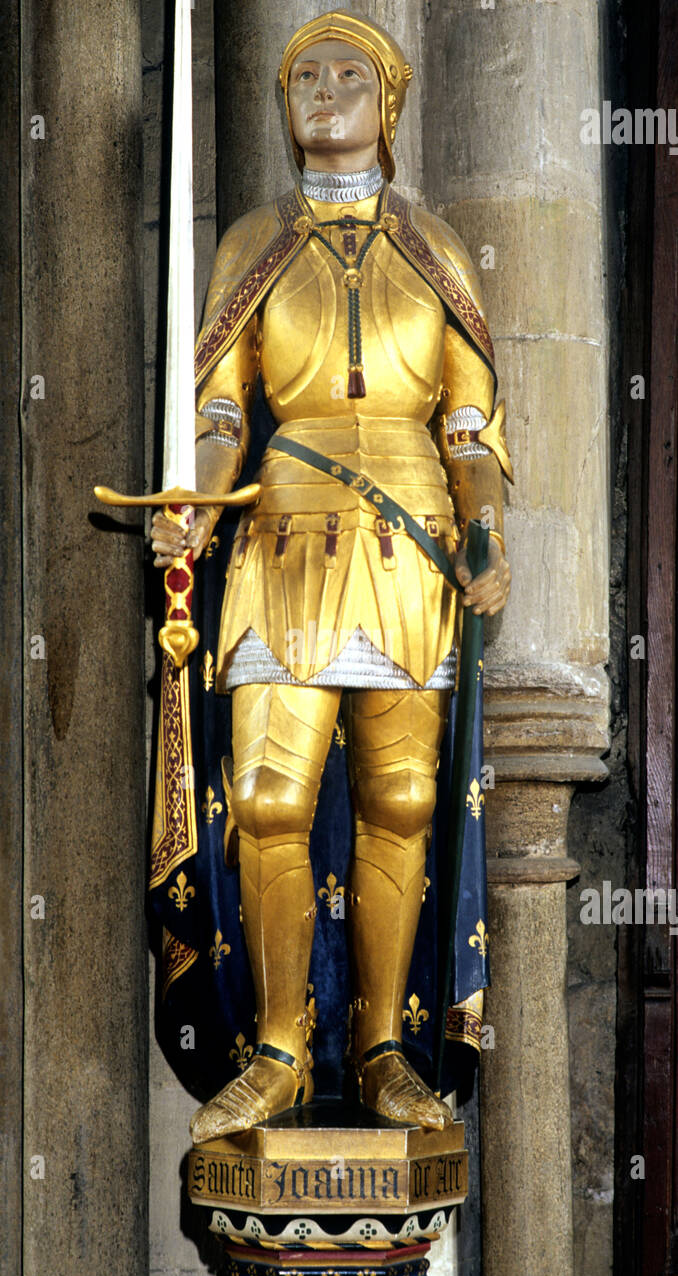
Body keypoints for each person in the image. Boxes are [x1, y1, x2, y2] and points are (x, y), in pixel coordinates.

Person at [151, 10, 511, 1140]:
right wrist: (199, 508)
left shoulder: (437, 247)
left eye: (351, 72)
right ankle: (273, 1047)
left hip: (410, 546)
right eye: (305, 73)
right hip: (285, 540)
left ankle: (384, 1049)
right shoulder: (254, 241)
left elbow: (470, 423)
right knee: (266, 797)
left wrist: (489, 524)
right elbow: (217, 406)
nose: (324, 88)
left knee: (403, 797)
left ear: (390, 105)